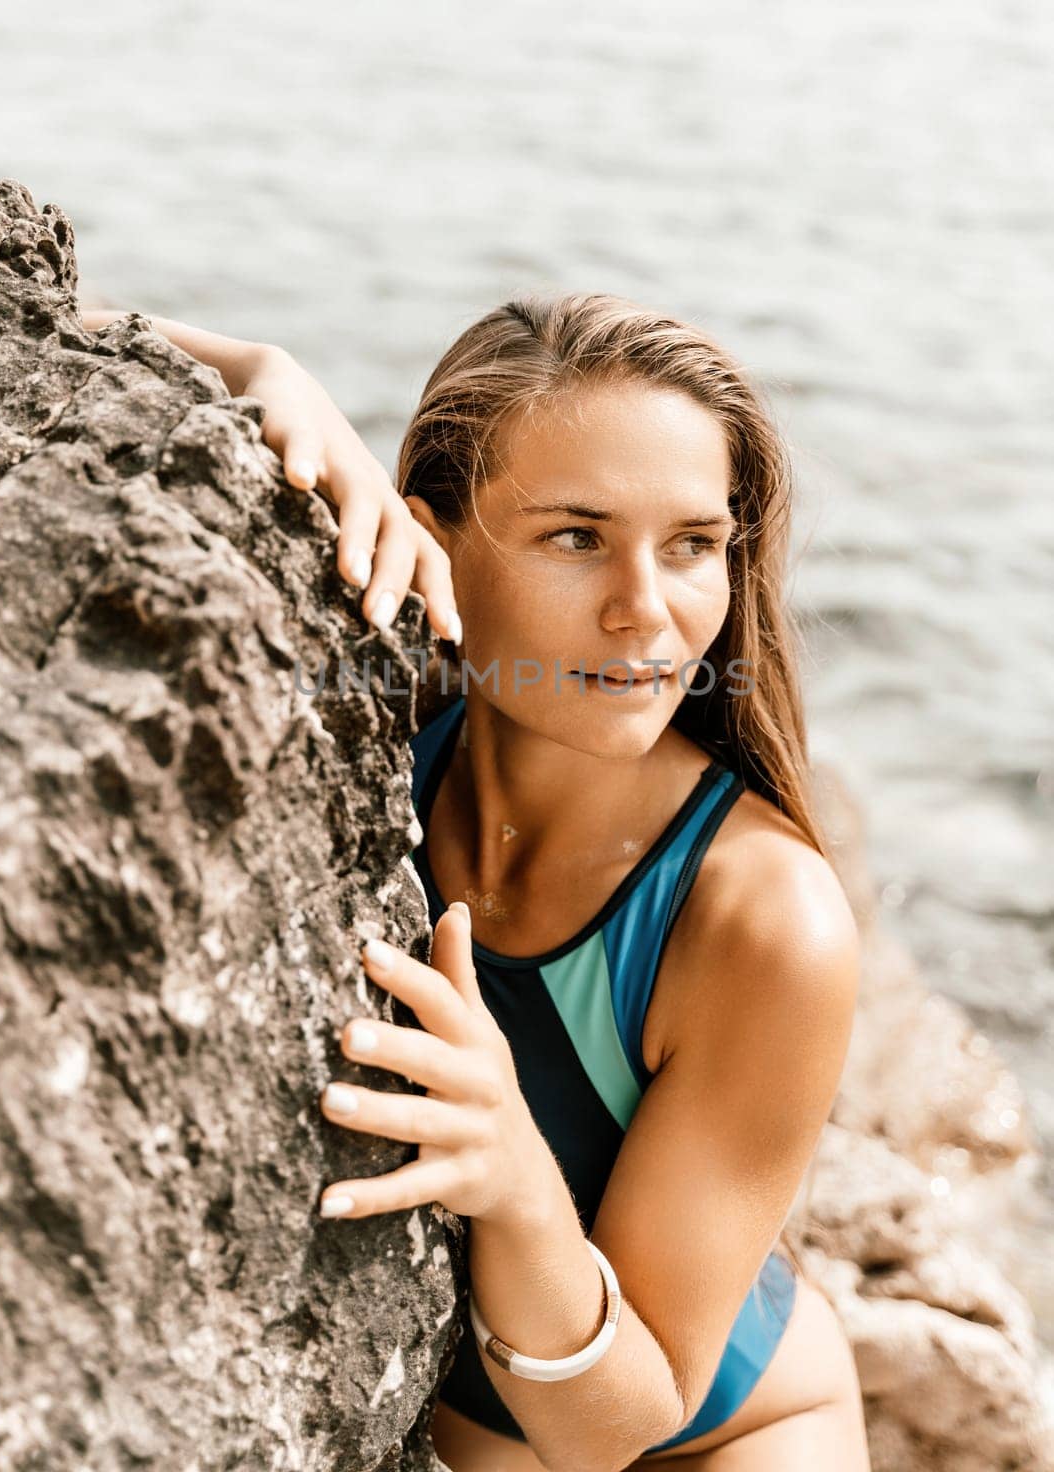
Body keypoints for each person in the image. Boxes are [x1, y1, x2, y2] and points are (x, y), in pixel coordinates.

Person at [81, 293, 871, 1469]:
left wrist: (512, 1173)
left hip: (714, 1438)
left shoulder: (761, 918)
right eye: (575, 536)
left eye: (692, 544)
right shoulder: (375, 734)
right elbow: (37, 310)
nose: (643, 611)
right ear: (434, 534)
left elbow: (615, 1425)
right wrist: (256, 369)